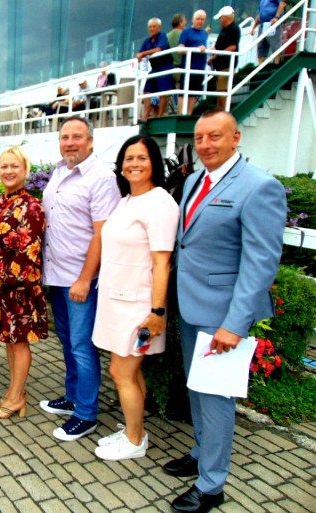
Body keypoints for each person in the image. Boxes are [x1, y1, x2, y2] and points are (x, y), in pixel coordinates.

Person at [164, 110, 286, 513]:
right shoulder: (195, 180)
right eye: (199, 138)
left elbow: (260, 263)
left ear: (236, 138)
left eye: (215, 136)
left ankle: (212, 485)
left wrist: (235, 324)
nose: (205, 145)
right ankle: (201, 454)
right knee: (197, 390)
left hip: (223, 316)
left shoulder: (259, 187)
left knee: (216, 399)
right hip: (191, 306)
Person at [92, 136, 179, 460]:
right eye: (128, 158)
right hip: (116, 301)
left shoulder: (160, 203)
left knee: (121, 372)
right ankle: (135, 430)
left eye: (142, 158)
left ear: (154, 163)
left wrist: (157, 312)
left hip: (138, 306)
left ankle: (134, 441)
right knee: (131, 371)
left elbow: (162, 263)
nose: (134, 164)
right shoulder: (127, 200)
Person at [40, 117, 120, 441]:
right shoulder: (59, 172)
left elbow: (102, 233)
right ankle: (73, 397)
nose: (70, 142)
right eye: (65, 137)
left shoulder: (101, 178)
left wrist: (86, 278)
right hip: (56, 276)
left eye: (77, 137)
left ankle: (86, 414)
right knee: (67, 340)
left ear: (90, 141)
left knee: (82, 346)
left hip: (80, 280)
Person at [0, 146, 48, 419]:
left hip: (17, 287)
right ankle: (15, 392)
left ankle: (16, 397)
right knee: (8, 340)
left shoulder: (32, 206)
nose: (8, 171)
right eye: (4, 166)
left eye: (14, 166)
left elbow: (28, 253)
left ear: (25, 170)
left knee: (18, 343)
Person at [136, 18, 173, 120]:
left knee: (163, 92)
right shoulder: (147, 41)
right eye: (150, 27)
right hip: (155, 68)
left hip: (165, 67)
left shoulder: (162, 36)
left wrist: (143, 54)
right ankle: (145, 116)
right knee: (147, 90)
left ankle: (160, 116)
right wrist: (139, 55)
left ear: (159, 28)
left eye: (154, 26)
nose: (152, 29)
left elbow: (158, 49)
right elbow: (139, 52)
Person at [208, 7, 241, 110]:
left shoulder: (234, 29)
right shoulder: (224, 30)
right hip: (220, 65)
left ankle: (223, 110)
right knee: (220, 89)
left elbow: (233, 47)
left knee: (222, 89)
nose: (220, 20)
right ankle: (220, 109)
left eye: (221, 18)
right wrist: (213, 56)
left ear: (226, 17)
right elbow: (217, 46)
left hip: (227, 64)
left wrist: (217, 54)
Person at [178, 10, 209, 115]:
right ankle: (181, 114)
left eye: (202, 19)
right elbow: (180, 49)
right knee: (184, 91)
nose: (200, 21)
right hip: (188, 67)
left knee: (195, 92)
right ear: (193, 20)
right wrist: (196, 49)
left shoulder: (204, 33)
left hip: (200, 68)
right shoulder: (186, 32)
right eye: (198, 19)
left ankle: (189, 113)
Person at [167, 14, 187, 110]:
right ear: (180, 23)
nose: (186, 22)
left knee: (169, 91)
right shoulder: (184, 35)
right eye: (184, 20)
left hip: (169, 67)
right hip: (180, 67)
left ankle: (172, 108)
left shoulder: (167, 36)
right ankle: (180, 109)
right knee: (181, 91)